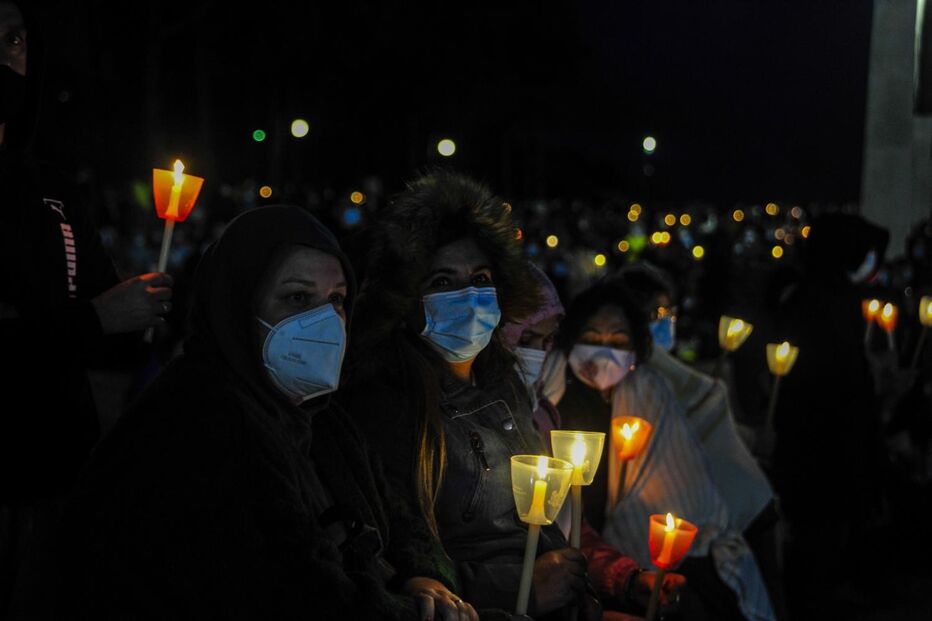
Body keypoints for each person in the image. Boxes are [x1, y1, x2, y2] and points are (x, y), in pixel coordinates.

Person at [54, 205, 480, 620]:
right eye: (297, 297)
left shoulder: (319, 418)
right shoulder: (202, 423)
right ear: (237, 308)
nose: (325, 321)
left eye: (336, 299)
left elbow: (393, 519)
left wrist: (421, 577)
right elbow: (303, 596)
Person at [345, 171, 600, 620]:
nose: (469, 296)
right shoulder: (385, 404)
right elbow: (402, 556)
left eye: (480, 278)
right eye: (443, 282)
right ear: (406, 299)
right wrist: (519, 587)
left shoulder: (507, 386)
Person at [0, 1, 172, 614]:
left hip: (59, 470)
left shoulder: (52, 186)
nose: (5, 57)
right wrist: (99, 319)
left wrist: (148, 307)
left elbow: (100, 313)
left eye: (15, 39)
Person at [542, 281, 776, 621]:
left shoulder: (649, 391)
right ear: (570, 340)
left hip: (629, 559)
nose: (605, 350)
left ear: (636, 347)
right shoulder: (555, 397)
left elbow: (679, 479)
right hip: (576, 543)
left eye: (618, 340)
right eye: (592, 338)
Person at [503, 264, 685, 618]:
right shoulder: (488, 421)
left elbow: (570, 529)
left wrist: (628, 579)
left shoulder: (541, 417)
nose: (535, 354)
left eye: (544, 341)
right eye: (524, 340)